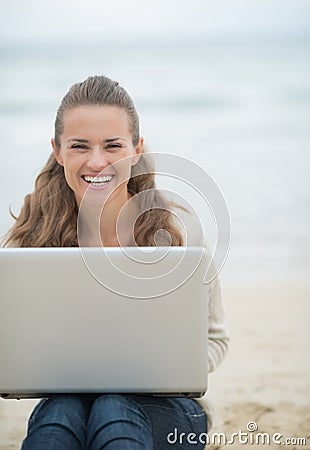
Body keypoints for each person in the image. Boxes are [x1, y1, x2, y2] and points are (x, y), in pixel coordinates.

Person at [3, 75, 229, 450]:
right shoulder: (30, 239)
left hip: (169, 408)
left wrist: (169, 368)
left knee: (113, 409)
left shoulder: (179, 228)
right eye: (79, 146)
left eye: (113, 145)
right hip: (66, 402)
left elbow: (215, 338)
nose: (96, 161)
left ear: (136, 149)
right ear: (58, 152)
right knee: (58, 423)